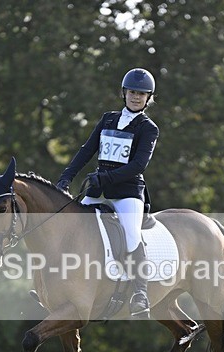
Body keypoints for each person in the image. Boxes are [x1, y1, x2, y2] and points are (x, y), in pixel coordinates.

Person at [56, 68, 159, 319]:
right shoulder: (108, 119)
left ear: (148, 98)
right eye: (132, 92)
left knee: (132, 234)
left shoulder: (148, 128)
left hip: (127, 193)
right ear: (124, 93)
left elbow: (138, 166)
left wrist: (105, 177)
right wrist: (66, 177)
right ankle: (57, 284)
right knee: (70, 226)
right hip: (99, 190)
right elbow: (87, 150)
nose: (136, 97)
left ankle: (140, 292)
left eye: (141, 94)